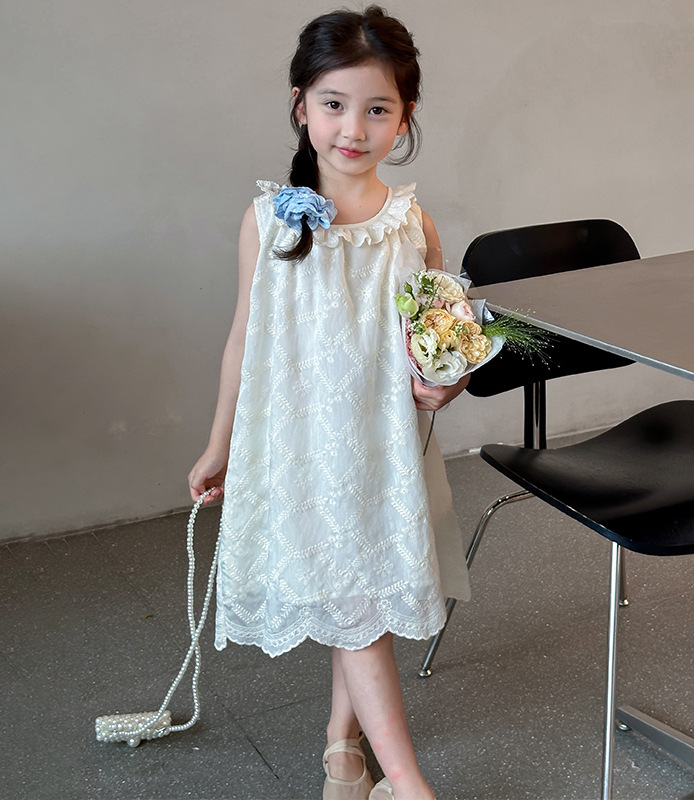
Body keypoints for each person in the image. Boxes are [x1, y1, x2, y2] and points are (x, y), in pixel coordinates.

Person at [188, 7, 470, 800]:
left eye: (377, 109)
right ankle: (407, 785)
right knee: (357, 601)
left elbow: (441, 343)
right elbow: (243, 340)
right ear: (301, 104)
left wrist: (446, 384)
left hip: (383, 447)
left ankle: (343, 750)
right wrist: (220, 444)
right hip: (305, 450)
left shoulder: (414, 226)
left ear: (404, 117)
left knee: (366, 596)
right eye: (334, 104)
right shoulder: (267, 222)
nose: (353, 128)